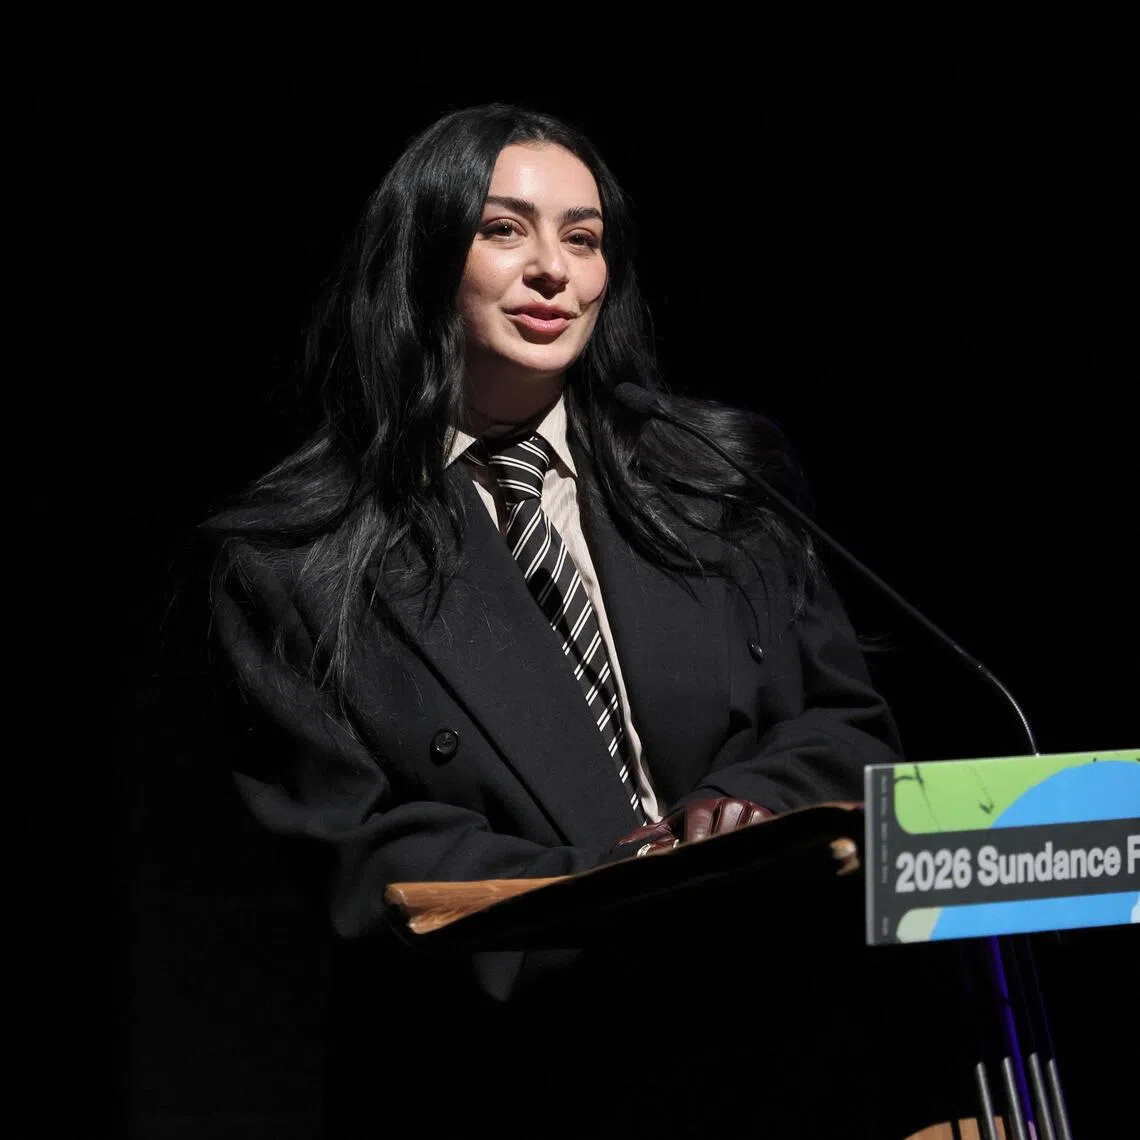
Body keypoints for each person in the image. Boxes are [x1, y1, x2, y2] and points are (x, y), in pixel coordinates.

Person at [202, 102, 916, 1138]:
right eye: (505, 230)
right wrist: (635, 885)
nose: (555, 272)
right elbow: (363, 858)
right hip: (517, 1076)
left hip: (779, 1052)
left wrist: (741, 815)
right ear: (423, 254)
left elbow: (843, 726)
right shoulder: (289, 556)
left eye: (584, 239)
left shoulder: (718, 474)